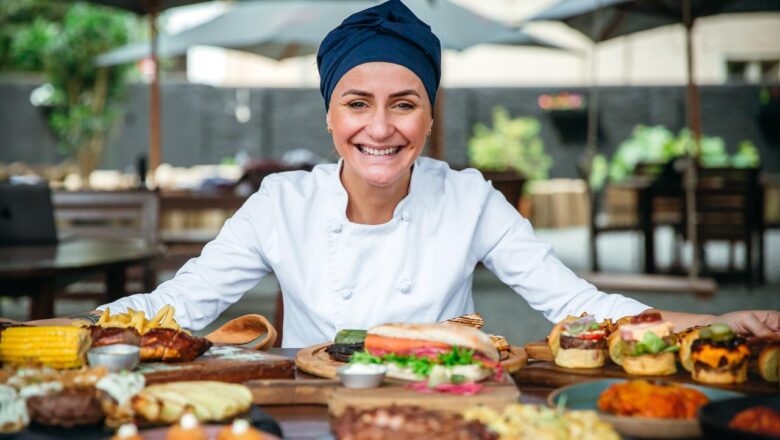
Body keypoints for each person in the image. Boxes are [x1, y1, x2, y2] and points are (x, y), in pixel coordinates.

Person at [12, 0, 779, 347]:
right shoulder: (281, 203)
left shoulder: (470, 198)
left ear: (430, 116)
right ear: (329, 116)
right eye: (358, 103)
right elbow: (178, 306)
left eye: (404, 104)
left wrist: (713, 325)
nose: (380, 128)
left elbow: (577, 307)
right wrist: (45, 335)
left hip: (447, 410)